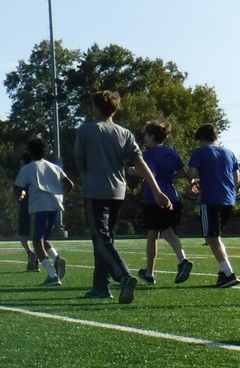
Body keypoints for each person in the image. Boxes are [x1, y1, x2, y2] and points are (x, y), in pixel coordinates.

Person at [73, 90, 171, 303]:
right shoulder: (125, 133)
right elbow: (140, 163)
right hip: (118, 192)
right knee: (106, 239)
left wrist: (86, 172)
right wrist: (157, 190)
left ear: (96, 107)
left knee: (100, 239)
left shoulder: (87, 129)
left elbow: (79, 158)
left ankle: (124, 276)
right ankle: (101, 286)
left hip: (95, 190)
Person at [128, 120, 193, 285]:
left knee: (158, 234)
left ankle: (172, 264)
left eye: (146, 135)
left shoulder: (149, 154)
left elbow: (151, 174)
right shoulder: (172, 152)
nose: (144, 138)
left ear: (151, 136)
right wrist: (168, 176)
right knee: (161, 232)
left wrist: (134, 171)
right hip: (173, 196)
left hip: (155, 198)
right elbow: (180, 173)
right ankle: (158, 269)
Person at [14, 138, 73, 287]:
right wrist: (63, 198)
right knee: (43, 238)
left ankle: (52, 275)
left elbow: (17, 189)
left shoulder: (28, 168)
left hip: (39, 206)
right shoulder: (53, 166)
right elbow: (69, 184)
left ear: (29, 152)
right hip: (54, 206)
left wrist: (20, 198)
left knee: (36, 241)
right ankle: (57, 258)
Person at [187, 123, 239, 287]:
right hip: (229, 200)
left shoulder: (200, 151)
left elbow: (191, 173)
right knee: (216, 237)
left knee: (212, 238)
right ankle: (224, 273)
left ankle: (229, 273)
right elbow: (237, 177)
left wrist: (194, 182)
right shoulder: (229, 153)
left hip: (210, 200)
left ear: (201, 138)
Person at [16, 154, 39, 272]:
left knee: (23, 234)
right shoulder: (38, 171)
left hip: (27, 206)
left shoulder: (25, 172)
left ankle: (31, 253)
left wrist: (20, 196)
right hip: (39, 206)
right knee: (37, 235)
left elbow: (21, 190)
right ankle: (35, 260)